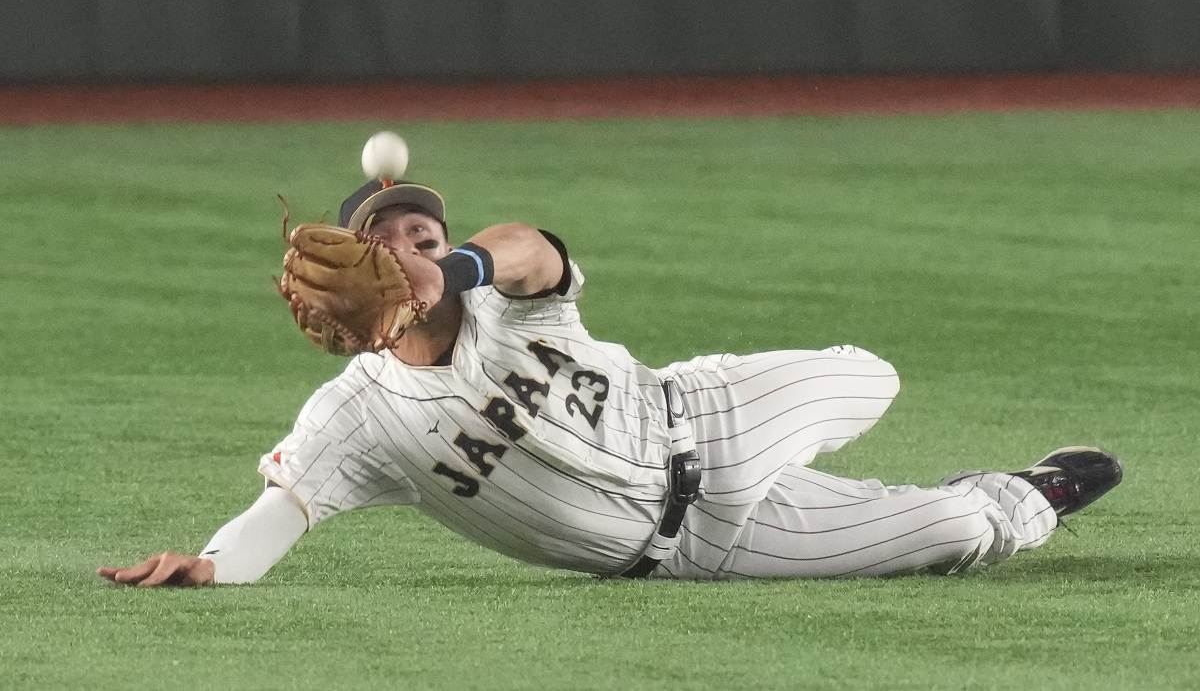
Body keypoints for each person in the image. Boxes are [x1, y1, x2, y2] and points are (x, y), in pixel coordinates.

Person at [98, 177, 1122, 587]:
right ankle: (1030, 490)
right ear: (351, 279)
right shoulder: (357, 418)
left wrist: (451, 271)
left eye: (427, 231)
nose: (415, 242)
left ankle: (923, 471)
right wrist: (213, 567)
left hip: (714, 415)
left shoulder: (503, 296)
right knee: (956, 535)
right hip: (698, 550)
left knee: (872, 375)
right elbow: (282, 509)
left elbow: (533, 246)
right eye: (391, 238)